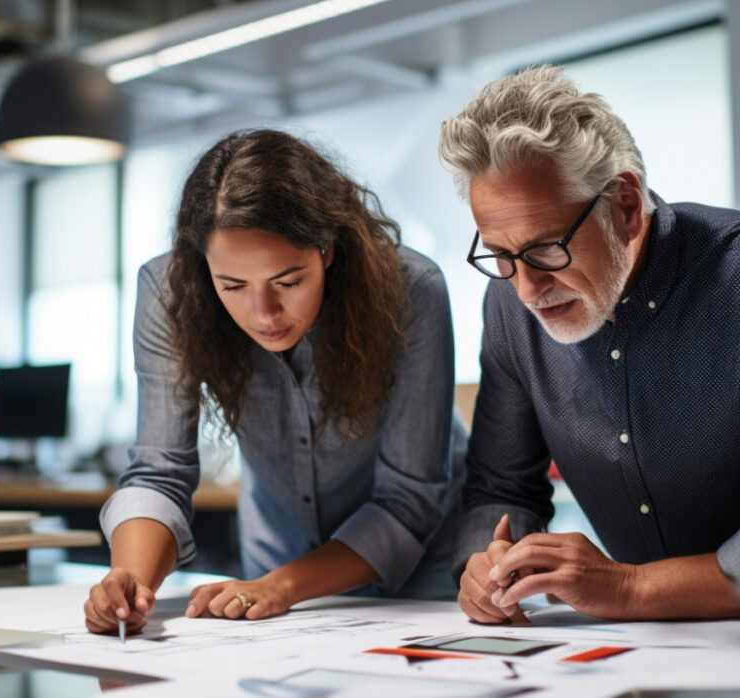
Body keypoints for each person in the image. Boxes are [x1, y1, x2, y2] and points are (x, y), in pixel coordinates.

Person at [438, 65, 740, 623]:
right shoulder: (507, 308)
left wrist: (632, 589)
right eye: (499, 254)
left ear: (625, 204)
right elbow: (500, 488)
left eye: (546, 250)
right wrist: (486, 565)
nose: (526, 287)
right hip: (647, 655)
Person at [84, 129, 465, 635]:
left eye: (288, 282)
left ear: (327, 249)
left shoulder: (412, 290)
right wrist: (129, 581)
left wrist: (282, 586)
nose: (264, 314)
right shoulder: (170, 292)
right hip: (274, 561)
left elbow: (407, 500)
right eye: (233, 286)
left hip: (421, 568)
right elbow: (159, 471)